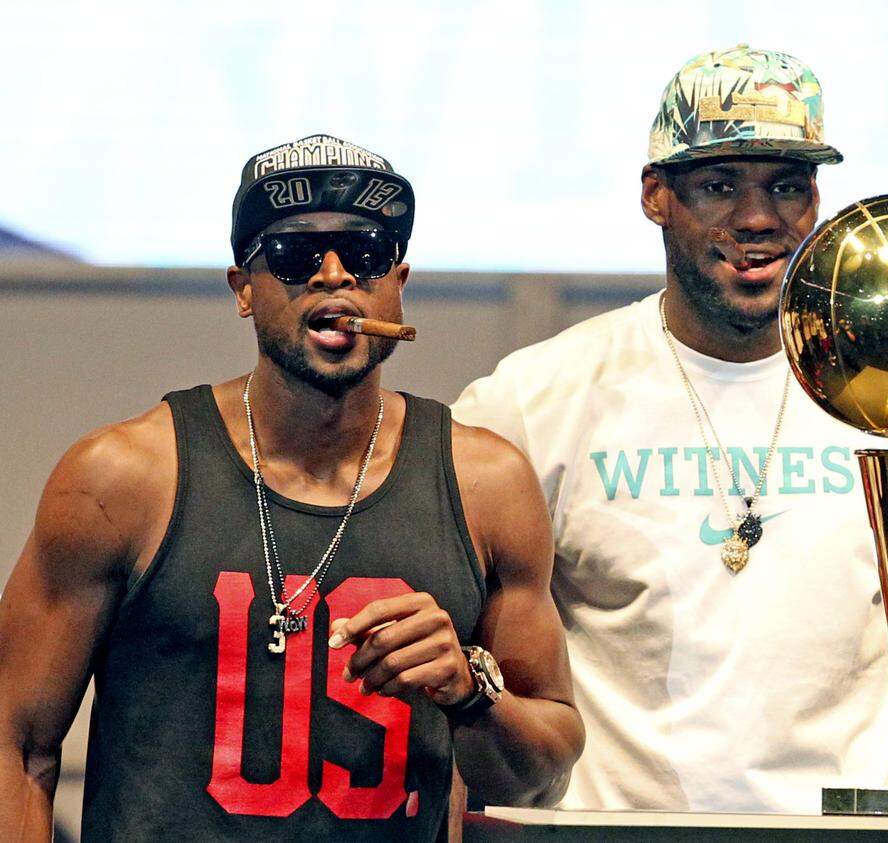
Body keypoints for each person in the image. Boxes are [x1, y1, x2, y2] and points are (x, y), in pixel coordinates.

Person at [0, 134, 584, 841]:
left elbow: (541, 778)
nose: (335, 275)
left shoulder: (486, 485)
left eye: (365, 252)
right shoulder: (124, 476)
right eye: (295, 255)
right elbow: (16, 743)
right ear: (243, 289)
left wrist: (469, 690)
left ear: (399, 280)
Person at [452, 46, 888, 813]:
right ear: (654, 195)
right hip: (622, 839)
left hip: (852, 839)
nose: (758, 217)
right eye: (718, 185)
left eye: (787, 186)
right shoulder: (533, 402)